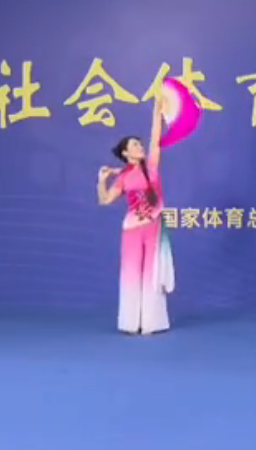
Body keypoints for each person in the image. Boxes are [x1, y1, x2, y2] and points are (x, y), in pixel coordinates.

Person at [97, 93, 174, 336]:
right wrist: (102, 181)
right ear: (125, 153)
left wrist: (157, 111)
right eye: (134, 145)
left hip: (154, 228)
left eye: (140, 145)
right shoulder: (122, 177)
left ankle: (151, 323)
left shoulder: (151, 167)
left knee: (151, 274)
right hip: (131, 230)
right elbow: (105, 200)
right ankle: (131, 322)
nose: (140, 147)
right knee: (131, 273)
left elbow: (155, 138)